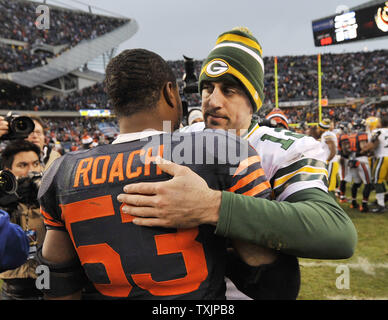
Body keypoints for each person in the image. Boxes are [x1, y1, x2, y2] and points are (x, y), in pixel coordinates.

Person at [36, 48, 286, 300]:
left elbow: (56, 284)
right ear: (170, 92)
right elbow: (260, 260)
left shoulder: (60, 172)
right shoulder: (223, 149)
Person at [118, 27, 357, 261]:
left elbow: (336, 233)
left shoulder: (286, 148)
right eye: (208, 88)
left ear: (252, 101)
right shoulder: (181, 137)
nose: (213, 101)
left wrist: (212, 207)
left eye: (229, 91)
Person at [0, 140, 44, 300]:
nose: (31, 171)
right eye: (22, 165)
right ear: (7, 171)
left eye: (36, 164)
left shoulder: (50, 195)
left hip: (49, 283)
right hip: (13, 287)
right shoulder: (3, 198)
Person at [308, 119, 339, 198]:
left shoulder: (327, 134)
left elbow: (333, 150)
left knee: (330, 185)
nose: (317, 130)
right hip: (330, 162)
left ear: (321, 128)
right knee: (327, 183)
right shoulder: (324, 135)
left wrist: (328, 161)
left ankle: (332, 204)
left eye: (318, 128)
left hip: (331, 162)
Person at [364, 115, 388, 213]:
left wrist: (364, 150)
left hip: (382, 157)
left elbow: (373, 144)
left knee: (377, 180)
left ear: (380, 123)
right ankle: (382, 201)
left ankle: (381, 205)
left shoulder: (378, 132)